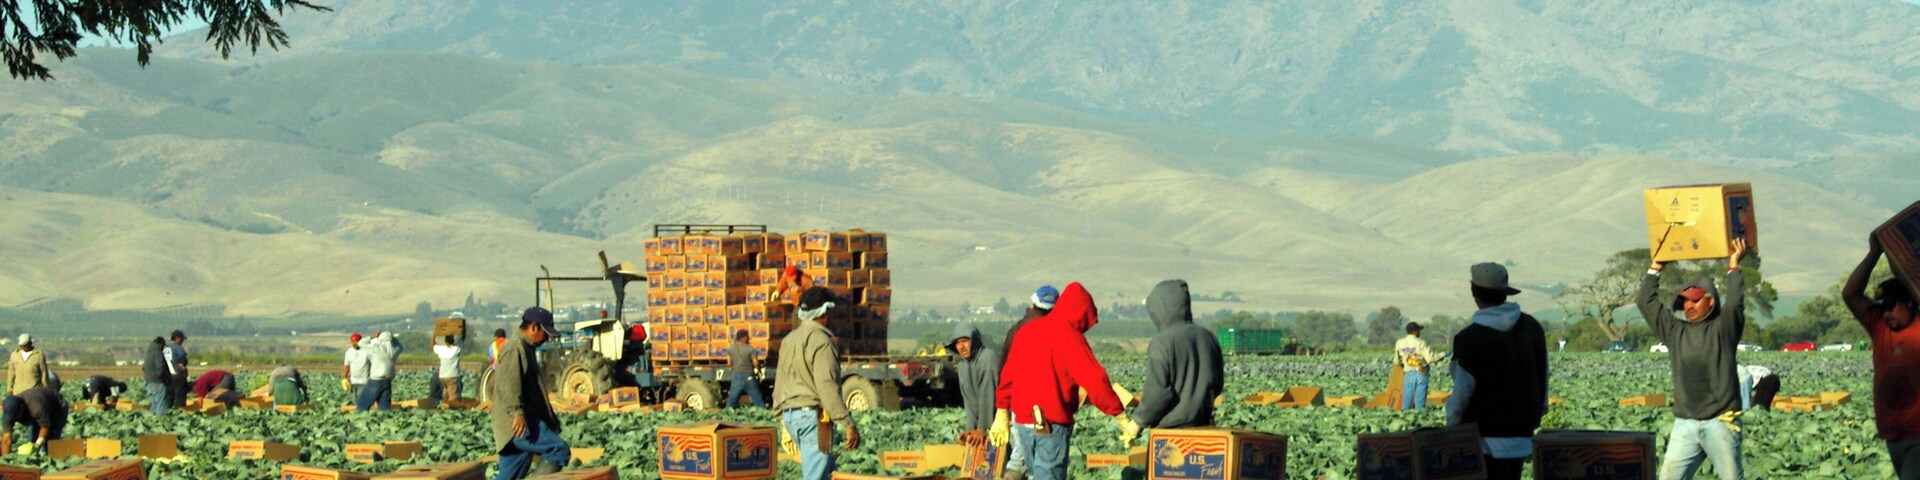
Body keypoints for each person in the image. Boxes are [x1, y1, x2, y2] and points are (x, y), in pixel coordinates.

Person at [991, 282, 1130, 480]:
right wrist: (1119, 414)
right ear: (1081, 314)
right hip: (1051, 423)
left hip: (1022, 422)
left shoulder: (1026, 331)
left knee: (1033, 474)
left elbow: (1008, 376)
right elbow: (1095, 381)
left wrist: (1002, 412)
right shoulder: (1071, 337)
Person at [1639, 239, 1748, 480]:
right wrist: (1656, 266)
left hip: (1720, 422)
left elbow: (1735, 304)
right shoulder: (1674, 330)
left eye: (1696, 299)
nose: (1689, 305)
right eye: (1685, 300)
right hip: (1685, 424)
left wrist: (1734, 266)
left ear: (1711, 300)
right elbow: (1645, 303)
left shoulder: (1724, 329)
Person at [1446, 263, 1548, 480]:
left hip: (1481, 441)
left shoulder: (1469, 338)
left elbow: (1462, 393)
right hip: (1521, 438)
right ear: (1505, 292)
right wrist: (1538, 413)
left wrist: (1452, 428)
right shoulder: (1532, 328)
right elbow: (1542, 375)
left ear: (1474, 292)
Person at [1841, 235, 1920, 479]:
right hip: (1893, 436)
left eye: (1891, 307)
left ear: (1910, 301)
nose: (1885, 314)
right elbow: (1850, 294)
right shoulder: (1879, 328)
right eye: (1882, 308)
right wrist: (1875, 252)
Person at [773, 287, 860, 480]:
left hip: (791, 416)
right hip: (813, 419)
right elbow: (827, 385)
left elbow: (780, 381)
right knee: (816, 476)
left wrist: (781, 416)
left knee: (828, 472)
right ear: (825, 311)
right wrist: (847, 423)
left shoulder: (788, 340)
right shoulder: (822, 342)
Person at [1132, 279, 1224, 441]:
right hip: (1204, 428)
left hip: (1171, 434)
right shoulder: (1208, 337)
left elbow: (1157, 394)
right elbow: (1217, 385)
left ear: (1160, 309)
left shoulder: (1162, 342)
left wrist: (1137, 421)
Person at [490, 307, 569, 479]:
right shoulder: (515, 347)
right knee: (558, 450)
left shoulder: (526, 347)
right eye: (545, 332)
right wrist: (517, 412)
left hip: (509, 426)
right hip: (518, 423)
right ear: (534, 327)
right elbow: (509, 382)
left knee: (508, 476)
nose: (546, 338)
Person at [998, 285, 1056, 479]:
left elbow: (1005, 369)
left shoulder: (1016, 329)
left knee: (1023, 454)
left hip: (1017, 404)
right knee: (1031, 460)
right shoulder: (1053, 331)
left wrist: (1002, 407)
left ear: (1032, 303)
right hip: (1041, 408)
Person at [948, 322, 1001, 449]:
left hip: (1002, 420)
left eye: (965, 341)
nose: (961, 347)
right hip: (985, 423)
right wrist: (970, 430)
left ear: (975, 340)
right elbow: (969, 401)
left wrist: (982, 428)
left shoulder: (987, 358)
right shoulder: (963, 365)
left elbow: (987, 394)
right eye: (958, 343)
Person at [1396, 322, 1448, 410]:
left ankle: (1405, 418)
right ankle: (1419, 418)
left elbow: (1397, 361)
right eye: (1419, 330)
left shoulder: (1399, 343)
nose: (1420, 332)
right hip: (1421, 372)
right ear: (1415, 331)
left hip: (1408, 374)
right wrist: (1444, 354)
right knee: (1419, 402)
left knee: (1406, 402)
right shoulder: (1421, 343)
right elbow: (1431, 358)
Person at [0, 386, 66, 455]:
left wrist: (37, 444)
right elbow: (6, 439)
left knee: (50, 440)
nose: (15, 418)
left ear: (21, 408)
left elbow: (45, 427)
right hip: (37, 410)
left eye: (16, 416)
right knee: (31, 440)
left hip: (57, 406)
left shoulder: (36, 408)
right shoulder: (8, 413)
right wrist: (6, 458)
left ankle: (52, 456)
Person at [358, 331, 400, 411]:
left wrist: (372, 337)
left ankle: (359, 416)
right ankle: (385, 419)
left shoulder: (377, 348)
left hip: (376, 380)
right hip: (387, 381)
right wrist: (393, 338)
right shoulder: (394, 350)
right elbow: (400, 346)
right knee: (384, 404)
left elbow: (361, 343)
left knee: (364, 402)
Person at [724, 330, 765, 409]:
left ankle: (726, 415)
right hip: (748, 377)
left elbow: (729, 364)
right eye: (747, 337)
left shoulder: (730, 348)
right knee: (757, 399)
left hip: (736, 377)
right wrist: (758, 370)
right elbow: (755, 363)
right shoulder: (750, 348)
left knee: (732, 399)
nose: (748, 338)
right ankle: (763, 413)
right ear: (744, 337)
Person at [141, 337, 170, 414]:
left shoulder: (149, 353)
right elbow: (160, 367)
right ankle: (161, 422)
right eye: (163, 346)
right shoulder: (158, 353)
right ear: (160, 344)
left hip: (149, 382)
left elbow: (144, 368)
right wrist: (165, 378)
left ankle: (152, 421)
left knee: (154, 404)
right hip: (158, 382)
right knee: (161, 404)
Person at [165, 330, 189, 408]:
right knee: (180, 398)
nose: (182, 341)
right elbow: (183, 361)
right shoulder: (178, 348)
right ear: (177, 338)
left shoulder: (166, 348)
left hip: (168, 376)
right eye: (181, 339)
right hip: (178, 376)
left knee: (169, 397)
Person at [434, 335, 462, 401]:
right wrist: (463, 328)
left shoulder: (441, 349)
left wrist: (434, 334)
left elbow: (432, 345)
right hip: (451, 376)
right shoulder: (456, 348)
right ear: (453, 340)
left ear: (445, 341)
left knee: (445, 393)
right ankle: (451, 408)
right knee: (453, 397)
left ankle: (444, 406)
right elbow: (462, 338)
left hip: (442, 377)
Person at [343, 333, 370, 399]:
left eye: (356, 341)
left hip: (365, 381)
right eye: (353, 341)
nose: (354, 343)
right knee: (354, 399)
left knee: (362, 400)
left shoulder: (367, 351)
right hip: (353, 381)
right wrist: (344, 378)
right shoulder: (349, 352)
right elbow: (346, 366)